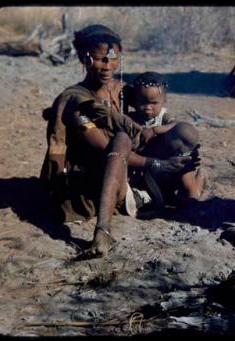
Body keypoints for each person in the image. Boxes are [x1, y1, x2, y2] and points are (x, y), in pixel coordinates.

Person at [40, 25, 193, 259]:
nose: (108, 67)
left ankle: (190, 198)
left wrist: (168, 130)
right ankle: (103, 230)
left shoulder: (123, 90)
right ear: (85, 58)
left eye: (114, 60)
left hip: (129, 172)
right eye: (101, 60)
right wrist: (154, 164)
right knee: (120, 139)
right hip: (94, 176)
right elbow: (104, 148)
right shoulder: (77, 101)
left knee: (181, 135)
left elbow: (155, 104)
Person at [125, 71, 205, 206]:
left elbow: (178, 124)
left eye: (154, 103)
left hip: (172, 160)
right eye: (142, 102)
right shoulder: (132, 118)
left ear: (164, 101)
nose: (148, 108)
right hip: (151, 165)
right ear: (134, 100)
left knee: (192, 197)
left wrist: (155, 130)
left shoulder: (163, 116)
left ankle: (200, 179)